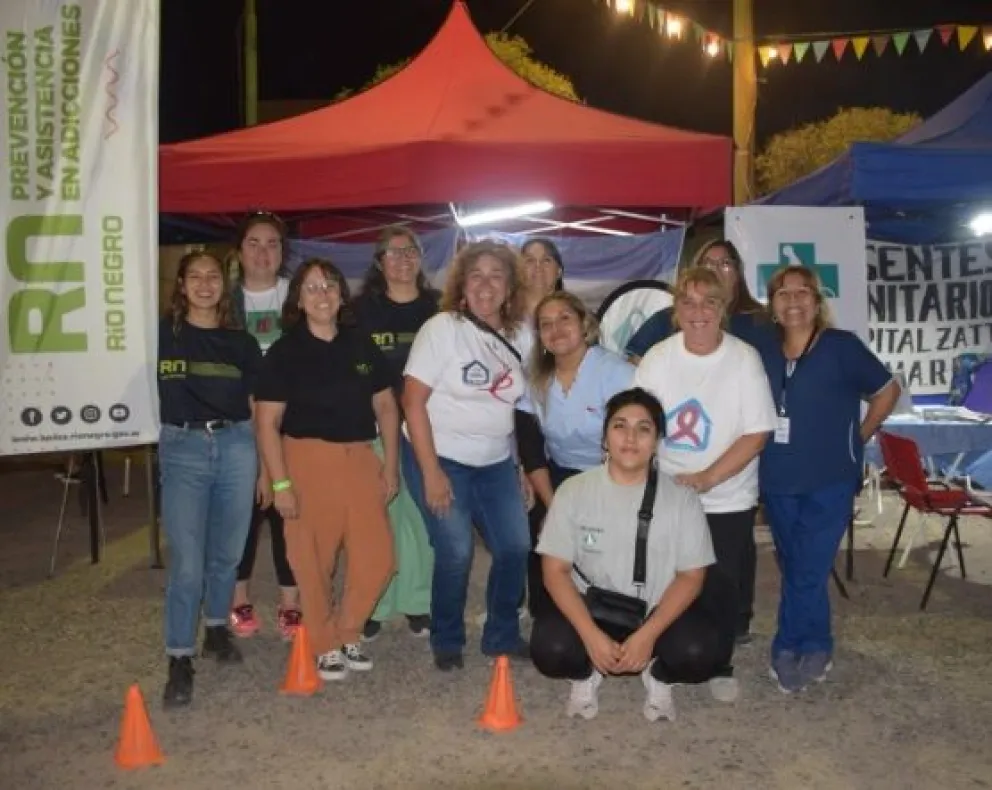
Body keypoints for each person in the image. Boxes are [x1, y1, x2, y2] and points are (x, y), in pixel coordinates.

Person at [531, 388, 735, 722]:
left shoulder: (681, 499)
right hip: (594, 607)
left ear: (656, 442)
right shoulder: (573, 491)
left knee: (698, 654)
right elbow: (555, 570)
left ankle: (658, 675)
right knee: (550, 650)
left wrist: (648, 635)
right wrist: (590, 635)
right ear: (604, 437)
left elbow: (691, 576)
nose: (630, 438)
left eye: (644, 429)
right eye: (620, 426)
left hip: (655, 611)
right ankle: (586, 674)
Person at [633, 267, 776, 703]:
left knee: (721, 581)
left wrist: (707, 479)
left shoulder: (743, 358)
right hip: (667, 489)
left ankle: (720, 661)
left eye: (708, 302)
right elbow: (638, 421)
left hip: (726, 495)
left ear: (722, 309)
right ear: (676, 310)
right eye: (688, 303)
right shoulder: (658, 357)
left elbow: (757, 432)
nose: (698, 312)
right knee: (663, 578)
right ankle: (665, 651)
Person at [254, 259, 399, 681]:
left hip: (359, 458)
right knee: (312, 561)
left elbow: (387, 405)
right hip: (305, 459)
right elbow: (267, 422)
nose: (323, 295)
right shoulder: (285, 351)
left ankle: (347, 628)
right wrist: (280, 482)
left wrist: (390, 464)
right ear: (299, 299)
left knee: (379, 559)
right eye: (312, 288)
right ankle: (322, 641)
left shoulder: (361, 345)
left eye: (330, 285)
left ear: (341, 294)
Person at [758, 266, 899, 693]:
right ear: (773, 305)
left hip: (831, 478)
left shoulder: (842, 347)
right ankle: (816, 639)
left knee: (807, 568)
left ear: (818, 303)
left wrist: (861, 434)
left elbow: (888, 389)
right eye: (784, 293)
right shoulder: (763, 350)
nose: (794, 300)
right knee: (797, 564)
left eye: (804, 293)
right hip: (778, 477)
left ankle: (789, 646)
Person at [402, 240, 532, 671]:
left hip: (495, 459)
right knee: (456, 550)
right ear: (462, 284)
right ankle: (447, 637)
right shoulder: (441, 329)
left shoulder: (523, 336)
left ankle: (500, 635)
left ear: (510, 287)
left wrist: (520, 467)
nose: (486, 284)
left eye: (497, 275)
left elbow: (521, 410)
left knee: (515, 545)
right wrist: (432, 473)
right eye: (476, 275)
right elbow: (412, 402)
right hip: (440, 454)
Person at [157, 251, 262, 707]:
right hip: (183, 449)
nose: (204, 284)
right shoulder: (161, 336)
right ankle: (179, 656)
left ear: (225, 285)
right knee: (187, 563)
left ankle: (216, 629)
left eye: (212, 277)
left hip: (238, 447)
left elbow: (258, 405)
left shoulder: (241, 343)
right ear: (181, 285)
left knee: (228, 553)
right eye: (194, 277)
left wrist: (267, 468)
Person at [519, 291, 635, 617]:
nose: (556, 329)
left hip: (611, 474)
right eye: (546, 324)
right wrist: (555, 507)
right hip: (558, 473)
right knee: (539, 527)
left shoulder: (616, 373)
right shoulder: (535, 379)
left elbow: (633, 440)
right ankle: (546, 613)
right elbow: (531, 448)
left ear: (584, 324)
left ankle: (614, 612)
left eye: (565, 319)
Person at [353, 226, 439, 642]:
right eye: (394, 252)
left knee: (421, 519)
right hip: (372, 426)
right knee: (378, 517)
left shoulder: (439, 309)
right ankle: (375, 601)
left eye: (411, 251)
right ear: (379, 262)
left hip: (428, 428)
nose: (403, 259)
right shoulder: (360, 311)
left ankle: (419, 602)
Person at [227, 211, 301, 642]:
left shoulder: (298, 297)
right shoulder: (224, 302)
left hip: (292, 426)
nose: (263, 252)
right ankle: (239, 600)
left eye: (272, 243)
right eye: (253, 242)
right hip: (240, 425)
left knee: (290, 515)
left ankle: (291, 604)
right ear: (239, 251)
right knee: (245, 517)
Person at [625, 239, 772, 363]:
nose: (715, 270)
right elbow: (633, 371)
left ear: (737, 274)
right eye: (708, 264)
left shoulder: (759, 324)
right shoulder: (665, 321)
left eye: (725, 264)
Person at [520, 238, 565, 319]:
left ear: (559, 271)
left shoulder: (573, 315)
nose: (538, 266)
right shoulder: (503, 317)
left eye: (546, 260)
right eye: (530, 260)